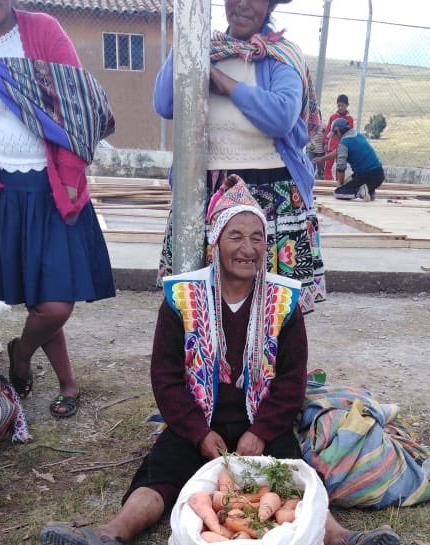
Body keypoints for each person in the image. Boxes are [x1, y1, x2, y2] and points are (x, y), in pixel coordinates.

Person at [39, 176, 400, 545]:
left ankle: (340, 541)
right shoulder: (181, 298)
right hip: (197, 422)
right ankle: (109, 536)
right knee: (162, 473)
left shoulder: (284, 301)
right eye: (236, 236)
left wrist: (261, 431)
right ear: (216, 242)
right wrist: (197, 432)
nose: (248, 249)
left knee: (294, 475)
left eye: (257, 238)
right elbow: (166, 378)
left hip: (259, 423)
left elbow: (290, 380)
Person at [0, 0, 116, 419]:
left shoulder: (42, 30)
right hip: (5, 192)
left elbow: (75, 105)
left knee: (56, 303)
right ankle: (68, 383)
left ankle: (21, 354)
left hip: (53, 185)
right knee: (39, 297)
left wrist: (70, 176)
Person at [153, 0, 325, 314]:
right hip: (206, 193)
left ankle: (268, 349)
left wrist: (223, 82)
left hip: (271, 196)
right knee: (201, 306)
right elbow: (165, 102)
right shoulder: (205, 48)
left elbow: (281, 116)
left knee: (272, 310)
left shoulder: (281, 55)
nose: (243, 4)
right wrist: (189, 45)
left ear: (270, 4)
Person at [322, 120, 385, 200]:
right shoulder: (359, 136)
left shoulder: (344, 143)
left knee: (338, 193)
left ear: (338, 131)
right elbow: (338, 151)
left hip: (365, 176)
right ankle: (369, 191)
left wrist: (341, 185)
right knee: (349, 182)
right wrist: (322, 159)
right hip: (379, 175)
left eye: (334, 135)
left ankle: (361, 192)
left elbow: (341, 167)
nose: (335, 138)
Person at [319, 94, 354, 181]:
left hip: (342, 147)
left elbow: (350, 133)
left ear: (347, 105)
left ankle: (338, 183)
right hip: (332, 147)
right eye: (338, 105)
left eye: (342, 105)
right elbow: (328, 130)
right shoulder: (333, 117)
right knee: (328, 167)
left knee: (340, 167)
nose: (340, 107)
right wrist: (326, 142)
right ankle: (327, 183)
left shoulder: (350, 119)